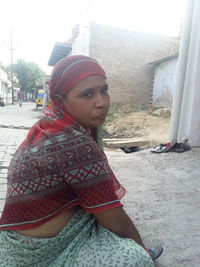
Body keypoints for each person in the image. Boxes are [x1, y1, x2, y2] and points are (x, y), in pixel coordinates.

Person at [0, 55, 161, 266]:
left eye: (104, 90)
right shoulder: (73, 142)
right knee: (132, 259)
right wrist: (143, 253)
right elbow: (118, 224)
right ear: (60, 100)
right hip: (41, 252)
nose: (101, 103)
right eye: (87, 94)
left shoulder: (48, 125)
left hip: (14, 246)